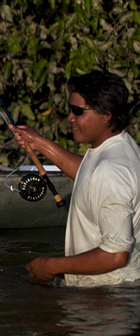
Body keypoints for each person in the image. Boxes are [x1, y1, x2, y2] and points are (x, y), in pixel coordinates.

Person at [11, 70, 140, 287]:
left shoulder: (111, 171)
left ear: (106, 115)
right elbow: (89, 175)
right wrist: (39, 143)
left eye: (77, 111)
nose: (70, 117)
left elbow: (116, 255)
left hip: (107, 294)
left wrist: (51, 266)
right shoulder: (119, 146)